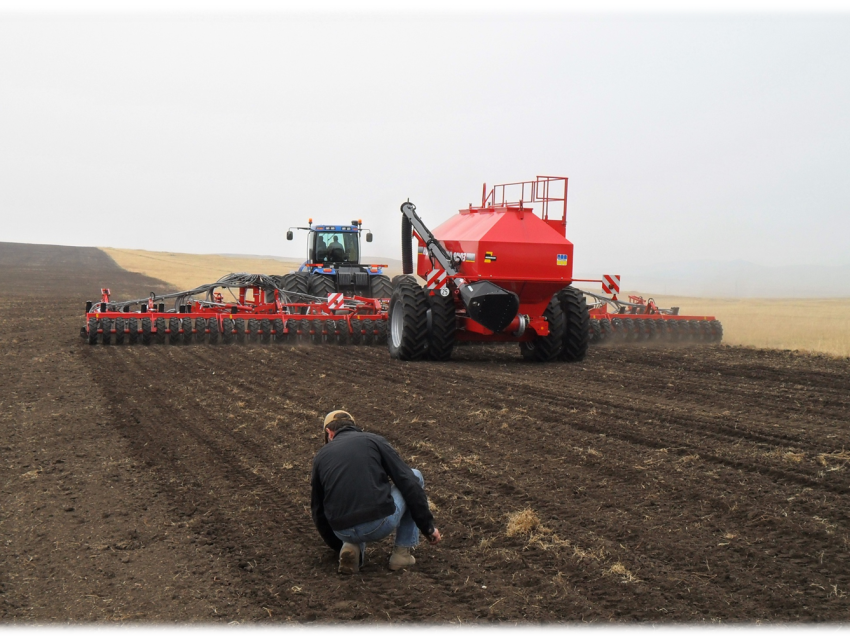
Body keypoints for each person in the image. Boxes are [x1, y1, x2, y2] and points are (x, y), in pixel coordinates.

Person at [311, 410, 442, 574]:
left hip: (341, 530)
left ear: (329, 433)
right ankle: (401, 554)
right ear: (353, 426)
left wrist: (338, 543)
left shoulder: (320, 457)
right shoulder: (373, 440)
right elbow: (408, 481)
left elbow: (318, 510)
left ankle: (350, 546)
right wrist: (427, 527)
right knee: (414, 475)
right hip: (378, 525)